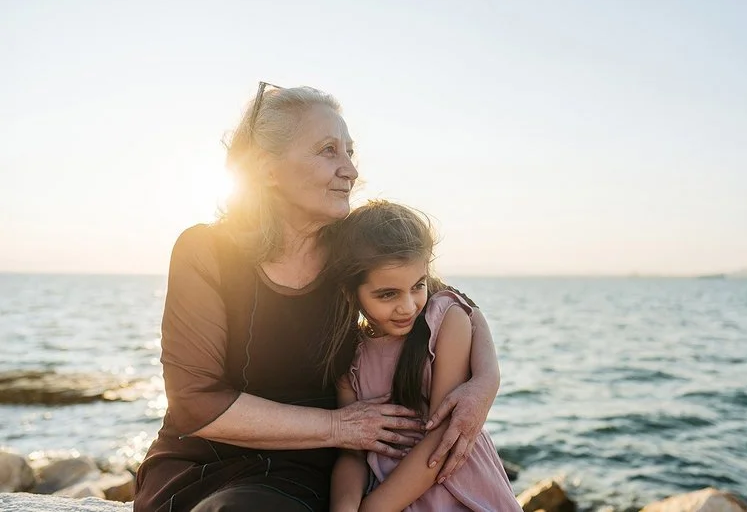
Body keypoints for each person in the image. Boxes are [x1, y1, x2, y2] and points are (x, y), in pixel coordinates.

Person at [133, 83, 502, 512]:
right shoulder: (205, 250)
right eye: (329, 150)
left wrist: (485, 382)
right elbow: (194, 403)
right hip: (199, 461)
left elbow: (449, 300)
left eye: (350, 152)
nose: (351, 170)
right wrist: (339, 426)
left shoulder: (352, 249)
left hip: (305, 470)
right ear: (267, 169)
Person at [326, 201, 520, 512]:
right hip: (389, 495)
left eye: (417, 286)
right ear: (351, 292)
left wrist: (372, 509)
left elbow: (443, 434)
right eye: (388, 294)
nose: (407, 306)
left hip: (456, 489)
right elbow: (352, 453)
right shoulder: (349, 354)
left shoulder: (445, 319)